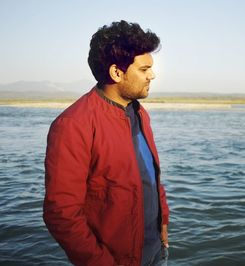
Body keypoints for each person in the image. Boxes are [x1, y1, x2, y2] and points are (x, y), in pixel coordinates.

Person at [43, 20, 169, 266]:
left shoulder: (140, 113)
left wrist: (163, 220)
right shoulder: (73, 125)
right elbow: (62, 213)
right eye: (144, 70)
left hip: (156, 252)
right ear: (116, 73)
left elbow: (151, 176)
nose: (152, 75)